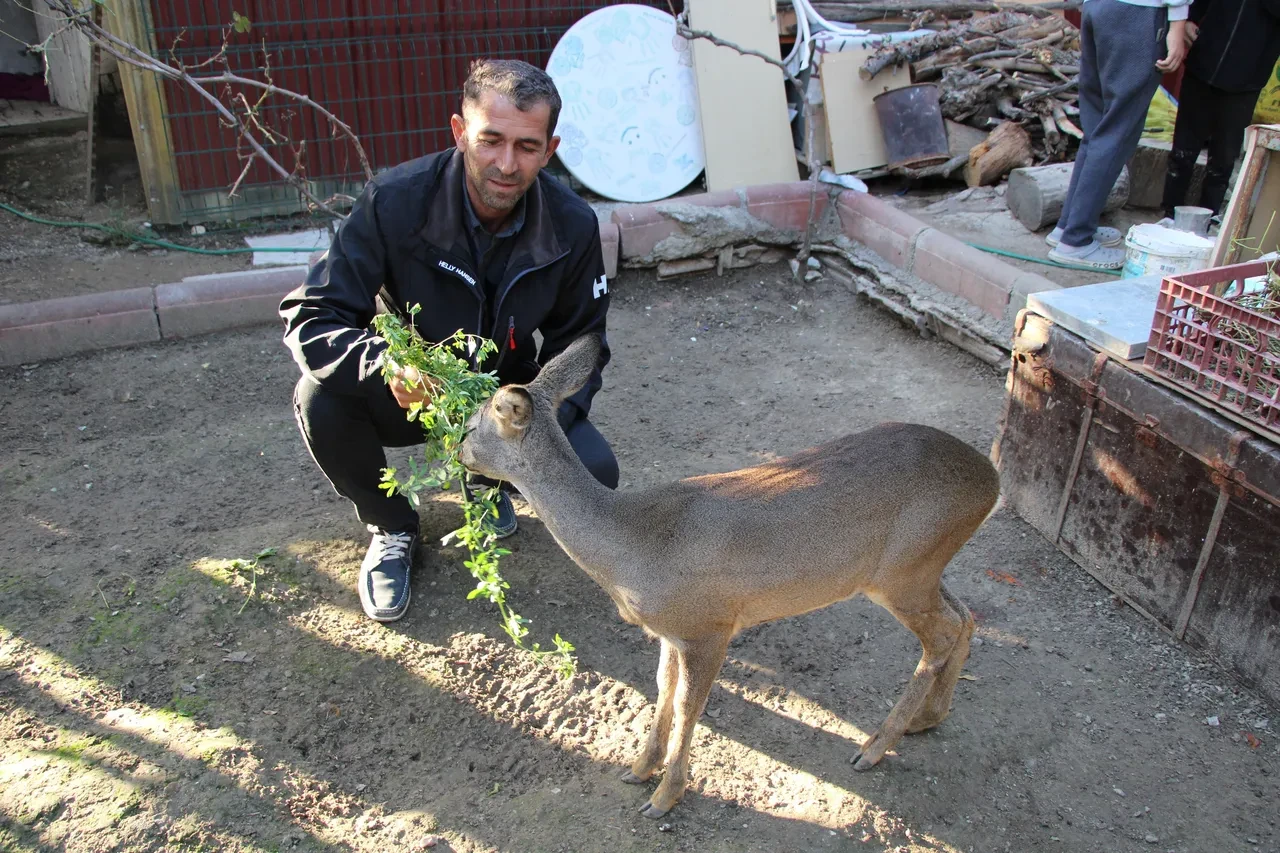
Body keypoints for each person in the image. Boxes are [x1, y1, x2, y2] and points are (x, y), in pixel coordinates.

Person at [279, 58, 619, 623]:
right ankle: (392, 526)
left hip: (502, 401)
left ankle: (485, 478)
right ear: (460, 132)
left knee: (595, 470)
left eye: (527, 146)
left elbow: (582, 342)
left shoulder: (573, 223)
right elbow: (313, 314)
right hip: (404, 392)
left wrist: (528, 419)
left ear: (550, 150)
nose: (506, 164)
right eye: (491, 140)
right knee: (320, 399)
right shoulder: (394, 203)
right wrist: (384, 364)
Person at [1046, 0, 1192, 270]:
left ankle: (1068, 226)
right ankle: (1076, 240)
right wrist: (1177, 23)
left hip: (1099, 7)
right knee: (1117, 132)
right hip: (1139, 14)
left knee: (1096, 127)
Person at [1160, 0, 1280, 221]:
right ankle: (1168, 213)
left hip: (1247, 78)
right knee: (1182, 151)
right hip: (1204, 61)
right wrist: (1190, 17)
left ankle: (1210, 216)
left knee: (1224, 158)